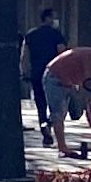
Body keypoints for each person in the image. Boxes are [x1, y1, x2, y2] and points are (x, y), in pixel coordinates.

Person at [24, 9, 68, 144]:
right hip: (53, 74)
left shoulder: (31, 34)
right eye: (54, 17)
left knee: (40, 104)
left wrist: (25, 71)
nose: (55, 21)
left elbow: (24, 55)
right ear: (48, 18)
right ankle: (49, 124)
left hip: (36, 74)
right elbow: (62, 53)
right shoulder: (56, 34)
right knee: (56, 104)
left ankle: (44, 126)